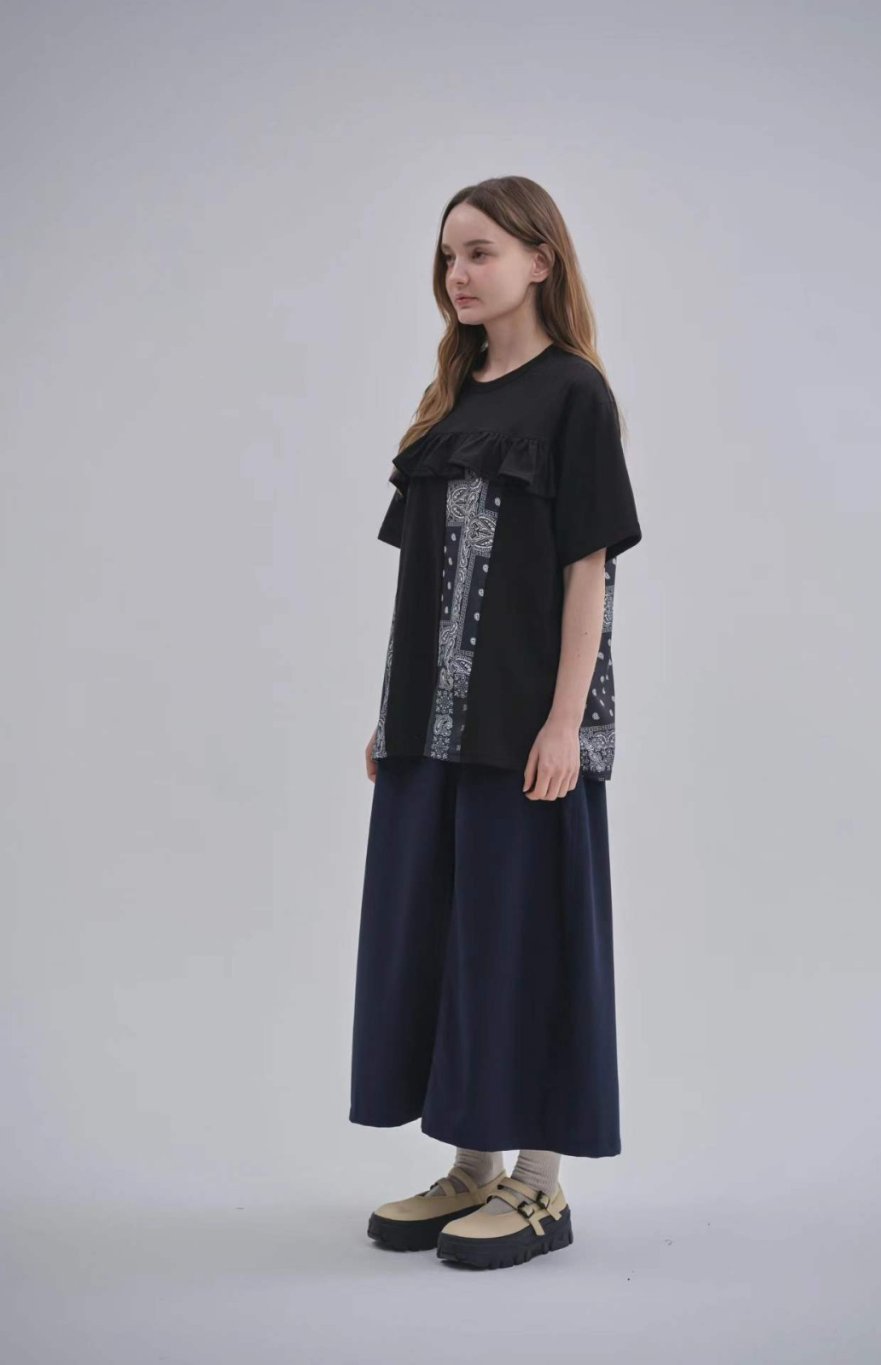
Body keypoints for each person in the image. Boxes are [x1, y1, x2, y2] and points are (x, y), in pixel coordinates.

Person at [349, 175, 643, 1271]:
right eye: (447, 256)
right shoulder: (451, 400)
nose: (458, 274)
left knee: (525, 942)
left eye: (479, 252)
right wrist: (388, 713)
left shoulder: (574, 395)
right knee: (446, 940)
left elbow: (587, 572)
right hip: (429, 729)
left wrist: (565, 722)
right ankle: (472, 1165)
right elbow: (418, 583)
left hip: (524, 732)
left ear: (540, 260)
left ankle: (539, 1185)